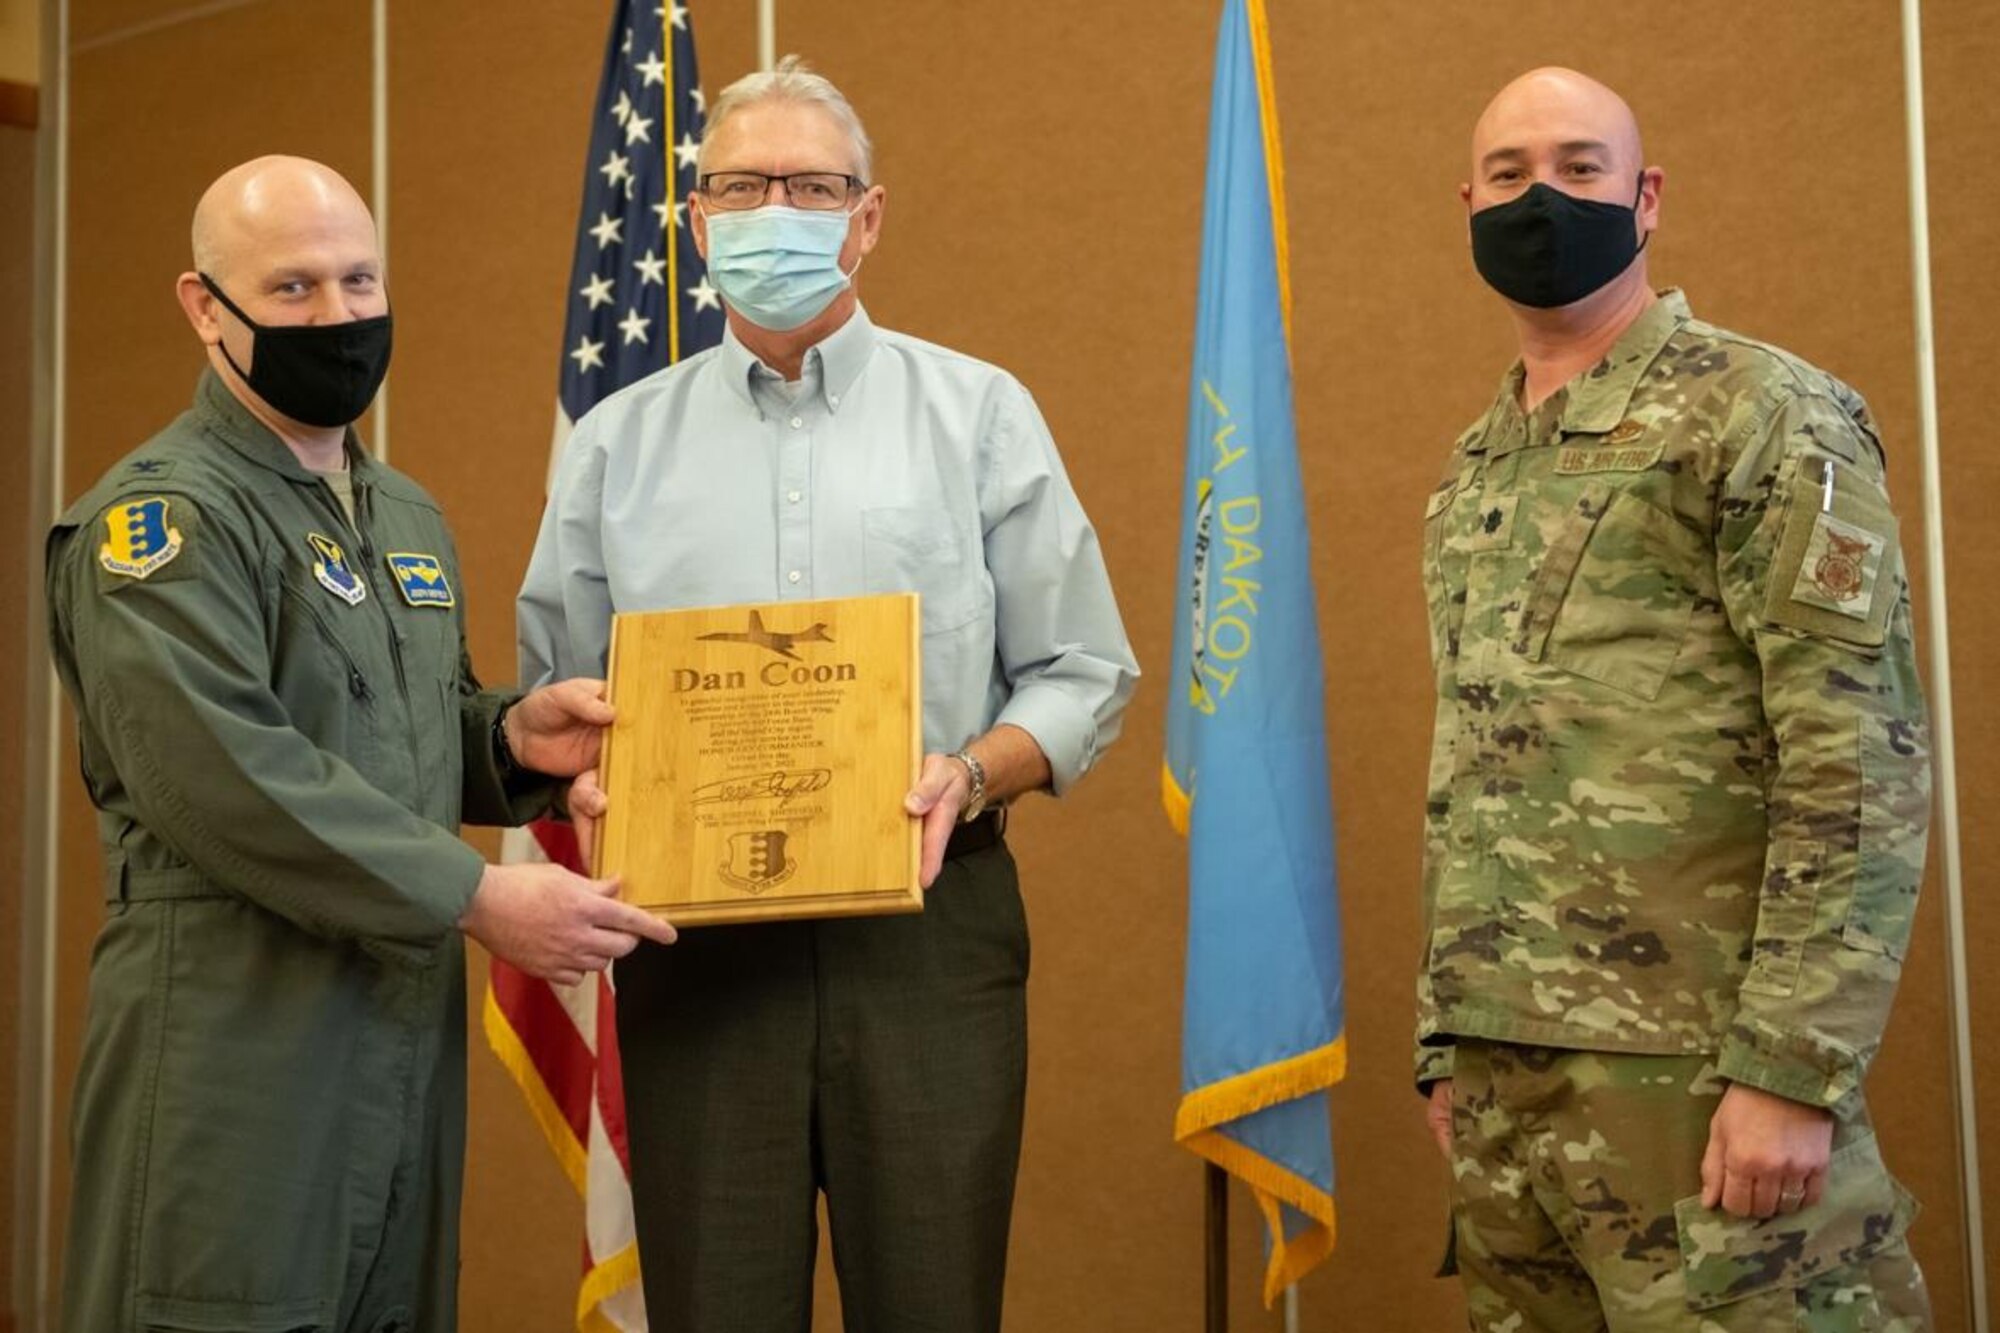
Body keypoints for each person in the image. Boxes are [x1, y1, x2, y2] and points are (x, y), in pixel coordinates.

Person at [518, 56, 1139, 1333]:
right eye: (739, 188)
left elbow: (1083, 671)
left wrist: (968, 771)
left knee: (932, 1301)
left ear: (866, 218)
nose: (772, 211)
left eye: (809, 184)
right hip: (695, 947)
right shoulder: (613, 445)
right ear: (695, 225)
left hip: (926, 926)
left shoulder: (978, 414)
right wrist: (582, 767)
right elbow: (557, 691)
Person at [46, 156, 676, 1333]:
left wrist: (511, 742)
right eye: (290, 290)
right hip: (236, 1033)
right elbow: (225, 774)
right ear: (204, 307)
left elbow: (394, 724)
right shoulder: (160, 524)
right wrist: (477, 894)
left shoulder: (402, 512)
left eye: (357, 279)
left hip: (397, 1024)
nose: (336, 317)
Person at [1415, 68, 1933, 1330]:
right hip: (1507, 1084)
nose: (1542, 197)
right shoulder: (1479, 461)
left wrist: (1792, 1069)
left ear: (1644, 199)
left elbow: (1857, 764)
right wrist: (1451, 1043)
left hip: (1703, 1079)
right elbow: (1475, 766)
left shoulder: (1759, 414)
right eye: (1508, 173)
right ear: (1464, 204)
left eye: (1580, 168)